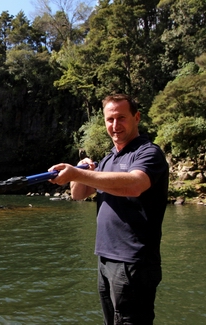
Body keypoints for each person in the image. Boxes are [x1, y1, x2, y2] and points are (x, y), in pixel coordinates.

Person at [48, 94, 169, 324]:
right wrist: (80, 169)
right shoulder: (107, 160)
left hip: (133, 261)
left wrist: (76, 173)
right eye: (109, 119)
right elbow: (78, 194)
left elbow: (134, 185)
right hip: (105, 258)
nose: (115, 125)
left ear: (137, 117)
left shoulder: (148, 153)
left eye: (121, 118)